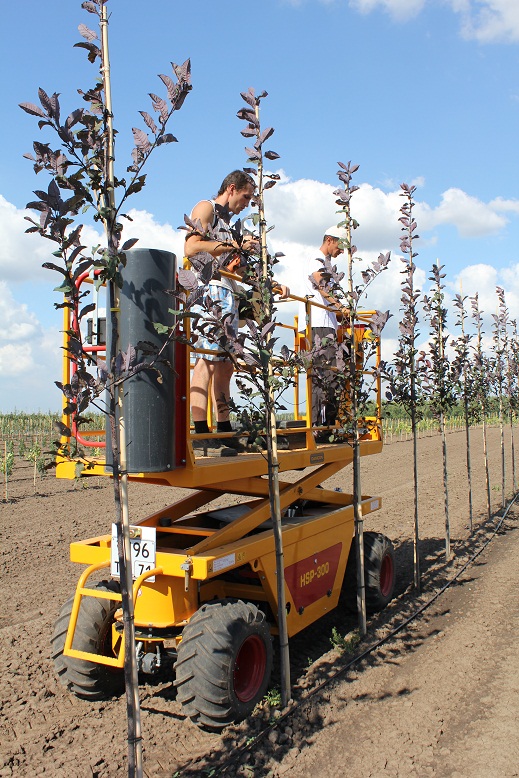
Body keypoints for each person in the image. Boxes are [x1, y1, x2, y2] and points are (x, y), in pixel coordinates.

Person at [185, 170, 288, 454]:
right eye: (246, 197)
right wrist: (234, 246)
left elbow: (238, 268)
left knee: (226, 365)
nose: (247, 203)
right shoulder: (206, 208)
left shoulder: (231, 226)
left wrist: (270, 283)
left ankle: (224, 428)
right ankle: (201, 431)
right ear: (231, 189)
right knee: (207, 360)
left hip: (229, 293)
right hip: (210, 291)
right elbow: (192, 246)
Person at [299, 227, 349, 440]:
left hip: (327, 325)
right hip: (318, 325)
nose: (341, 251)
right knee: (323, 377)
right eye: (340, 246)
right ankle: (319, 428)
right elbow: (321, 287)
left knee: (331, 376)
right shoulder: (317, 261)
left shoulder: (326, 264)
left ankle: (329, 425)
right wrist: (340, 307)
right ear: (329, 240)